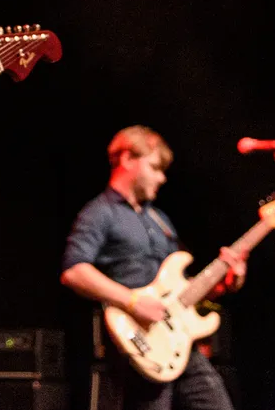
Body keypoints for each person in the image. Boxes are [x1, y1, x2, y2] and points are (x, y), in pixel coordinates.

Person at [60, 126, 244, 410]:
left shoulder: (160, 220)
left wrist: (221, 286)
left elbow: (182, 290)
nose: (162, 178)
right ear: (127, 159)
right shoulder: (99, 213)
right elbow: (74, 271)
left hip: (180, 341)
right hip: (140, 343)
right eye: (155, 167)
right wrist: (132, 301)